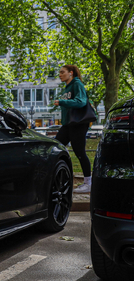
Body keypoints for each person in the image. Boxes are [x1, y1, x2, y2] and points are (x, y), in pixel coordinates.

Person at [53, 65, 92, 193]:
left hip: (79, 124)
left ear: (71, 73)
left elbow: (81, 102)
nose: (60, 75)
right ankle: (59, 177)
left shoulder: (77, 84)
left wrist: (62, 102)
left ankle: (88, 183)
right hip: (69, 124)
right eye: (59, 72)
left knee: (80, 152)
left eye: (62, 72)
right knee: (55, 147)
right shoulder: (67, 88)